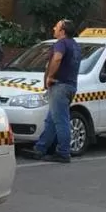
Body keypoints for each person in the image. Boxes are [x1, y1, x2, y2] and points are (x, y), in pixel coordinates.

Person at [25, 19, 82, 164]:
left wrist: (50, 76)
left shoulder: (61, 44)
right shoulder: (75, 45)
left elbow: (57, 59)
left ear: (62, 31)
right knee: (51, 119)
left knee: (61, 120)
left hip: (60, 85)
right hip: (70, 85)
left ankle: (63, 152)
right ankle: (40, 148)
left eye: (56, 26)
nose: (53, 28)